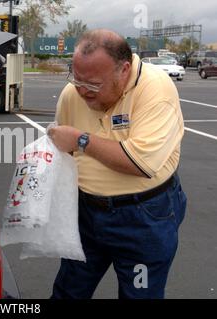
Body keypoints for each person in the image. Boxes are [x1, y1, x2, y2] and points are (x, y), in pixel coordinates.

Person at [47, 29, 187, 299]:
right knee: (68, 291)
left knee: (140, 293)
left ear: (124, 70)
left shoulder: (155, 89)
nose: (82, 91)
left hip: (143, 218)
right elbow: (63, 151)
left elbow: (141, 163)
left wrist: (81, 140)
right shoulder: (72, 93)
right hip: (86, 214)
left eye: (94, 84)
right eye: (76, 79)